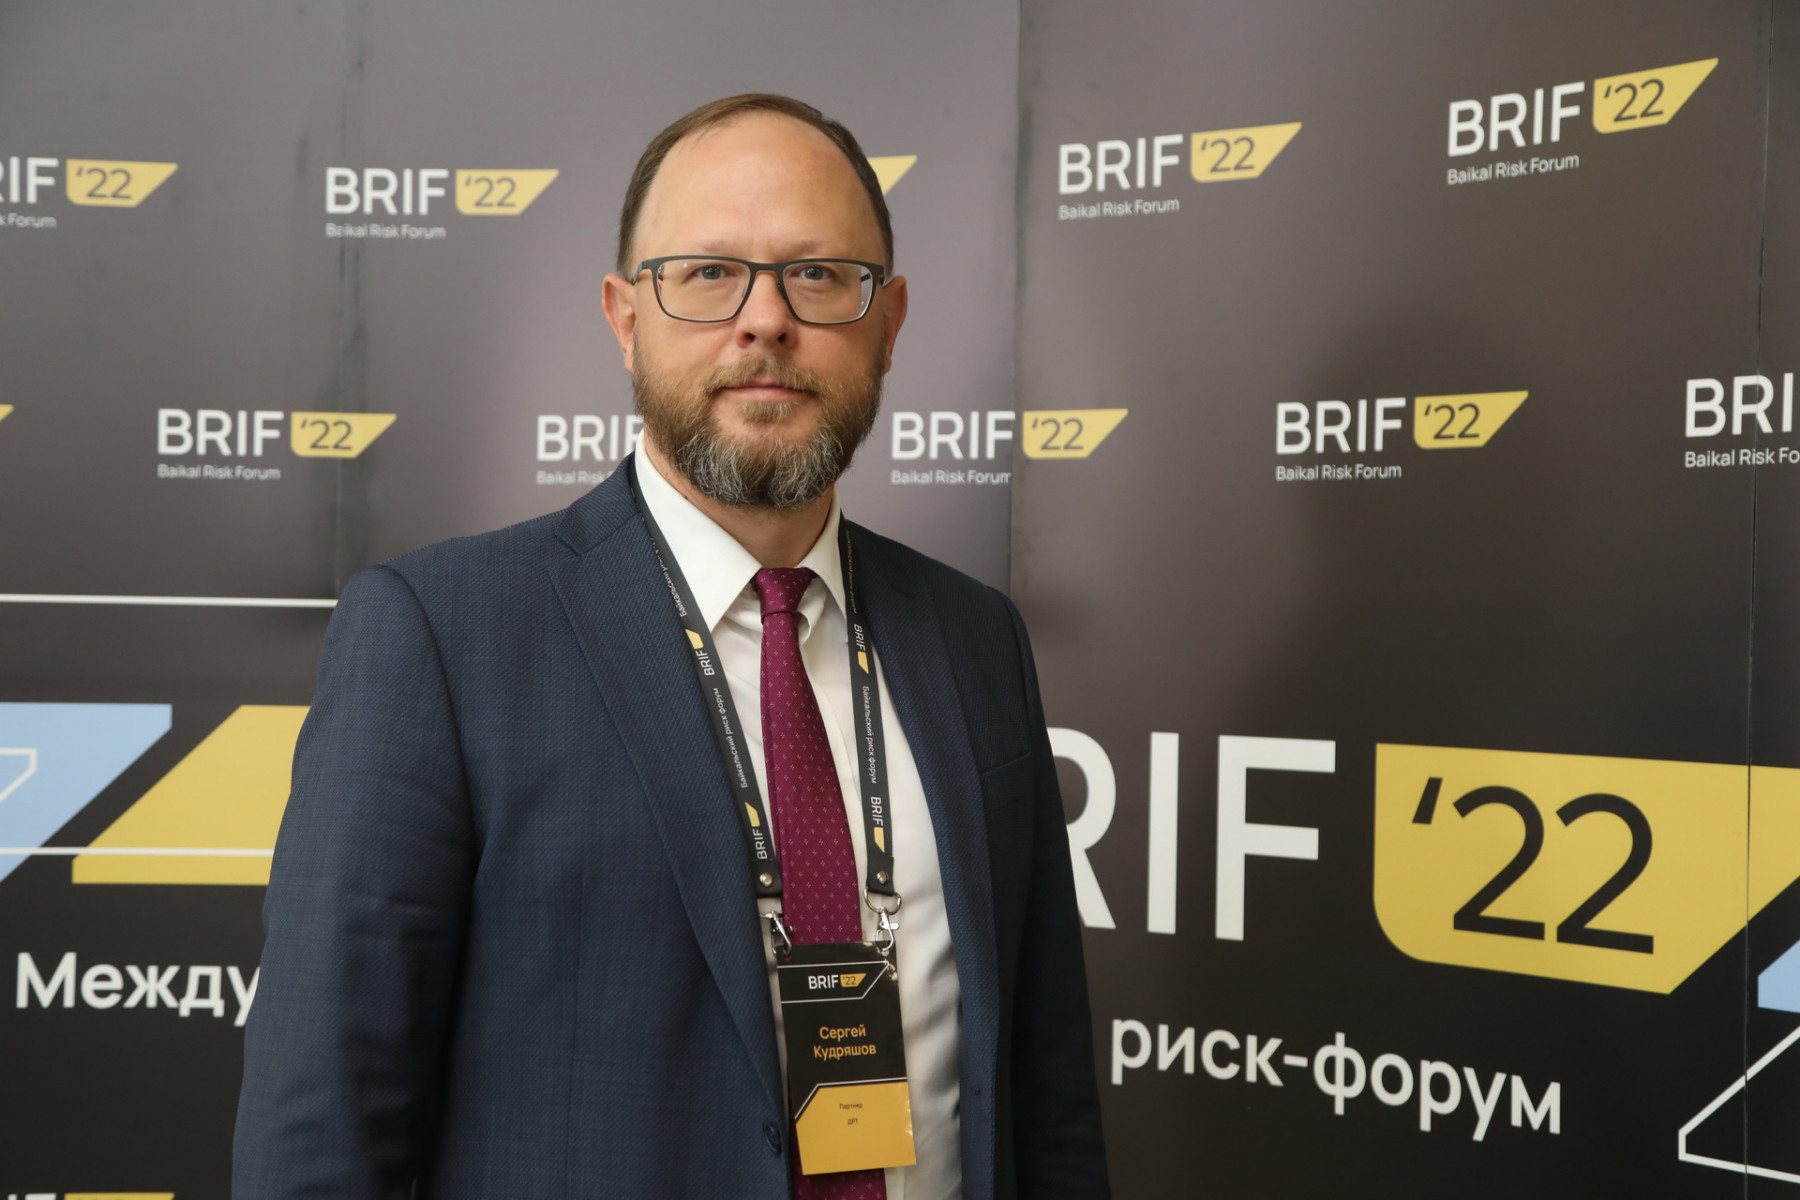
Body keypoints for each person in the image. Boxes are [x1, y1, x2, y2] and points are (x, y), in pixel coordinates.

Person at [233, 93, 1108, 1200]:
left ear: (888, 323)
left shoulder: (976, 639)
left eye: (818, 274)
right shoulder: (440, 635)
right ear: (623, 318)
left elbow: (1046, 1089)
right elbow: (322, 1126)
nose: (765, 320)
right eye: (706, 272)